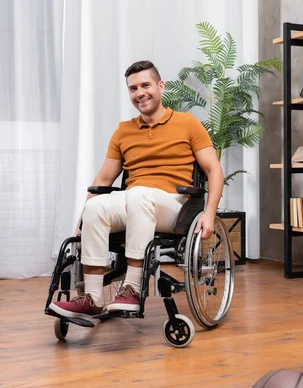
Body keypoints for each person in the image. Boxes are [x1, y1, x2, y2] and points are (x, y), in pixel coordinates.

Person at [49, 60, 224, 323]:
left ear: (160, 86)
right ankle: (92, 298)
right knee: (96, 206)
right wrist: (80, 223)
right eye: (133, 88)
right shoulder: (123, 131)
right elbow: (104, 178)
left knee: (139, 194)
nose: (140, 93)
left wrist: (210, 213)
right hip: (134, 201)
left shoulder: (187, 124)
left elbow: (214, 171)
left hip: (173, 204)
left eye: (145, 85)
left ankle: (131, 288)